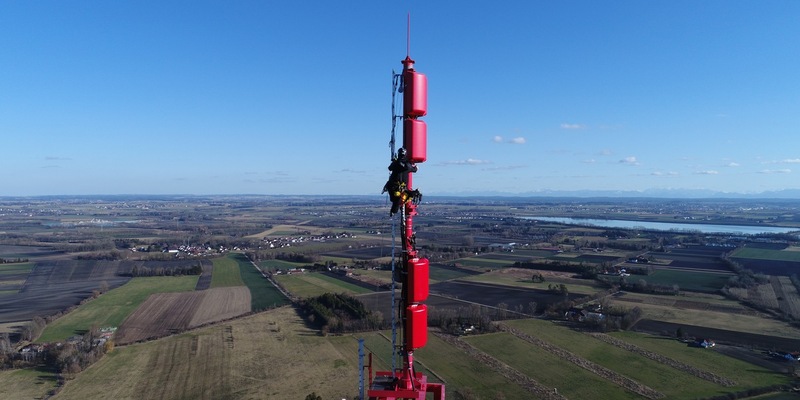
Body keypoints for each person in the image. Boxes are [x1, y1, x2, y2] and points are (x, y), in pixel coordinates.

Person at [382, 148, 420, 216]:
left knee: (397, 200)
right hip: (401, 188)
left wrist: (394, 161)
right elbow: (414, 170)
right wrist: (415, 167)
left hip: (395, 187)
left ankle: (394, 211)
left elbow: (390, 168)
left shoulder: (396, 163)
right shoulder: (408, 165)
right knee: (401, 199)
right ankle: (395, 210)